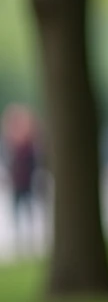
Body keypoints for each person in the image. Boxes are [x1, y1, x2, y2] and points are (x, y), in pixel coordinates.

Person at [2, 105, 40, 259]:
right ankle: (21, 242)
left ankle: (28, 241)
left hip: (26, 183)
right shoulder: (12, 144)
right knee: (18, 212)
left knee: (26, 211)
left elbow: (34, 163)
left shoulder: (28, 145)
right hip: (17, 184)